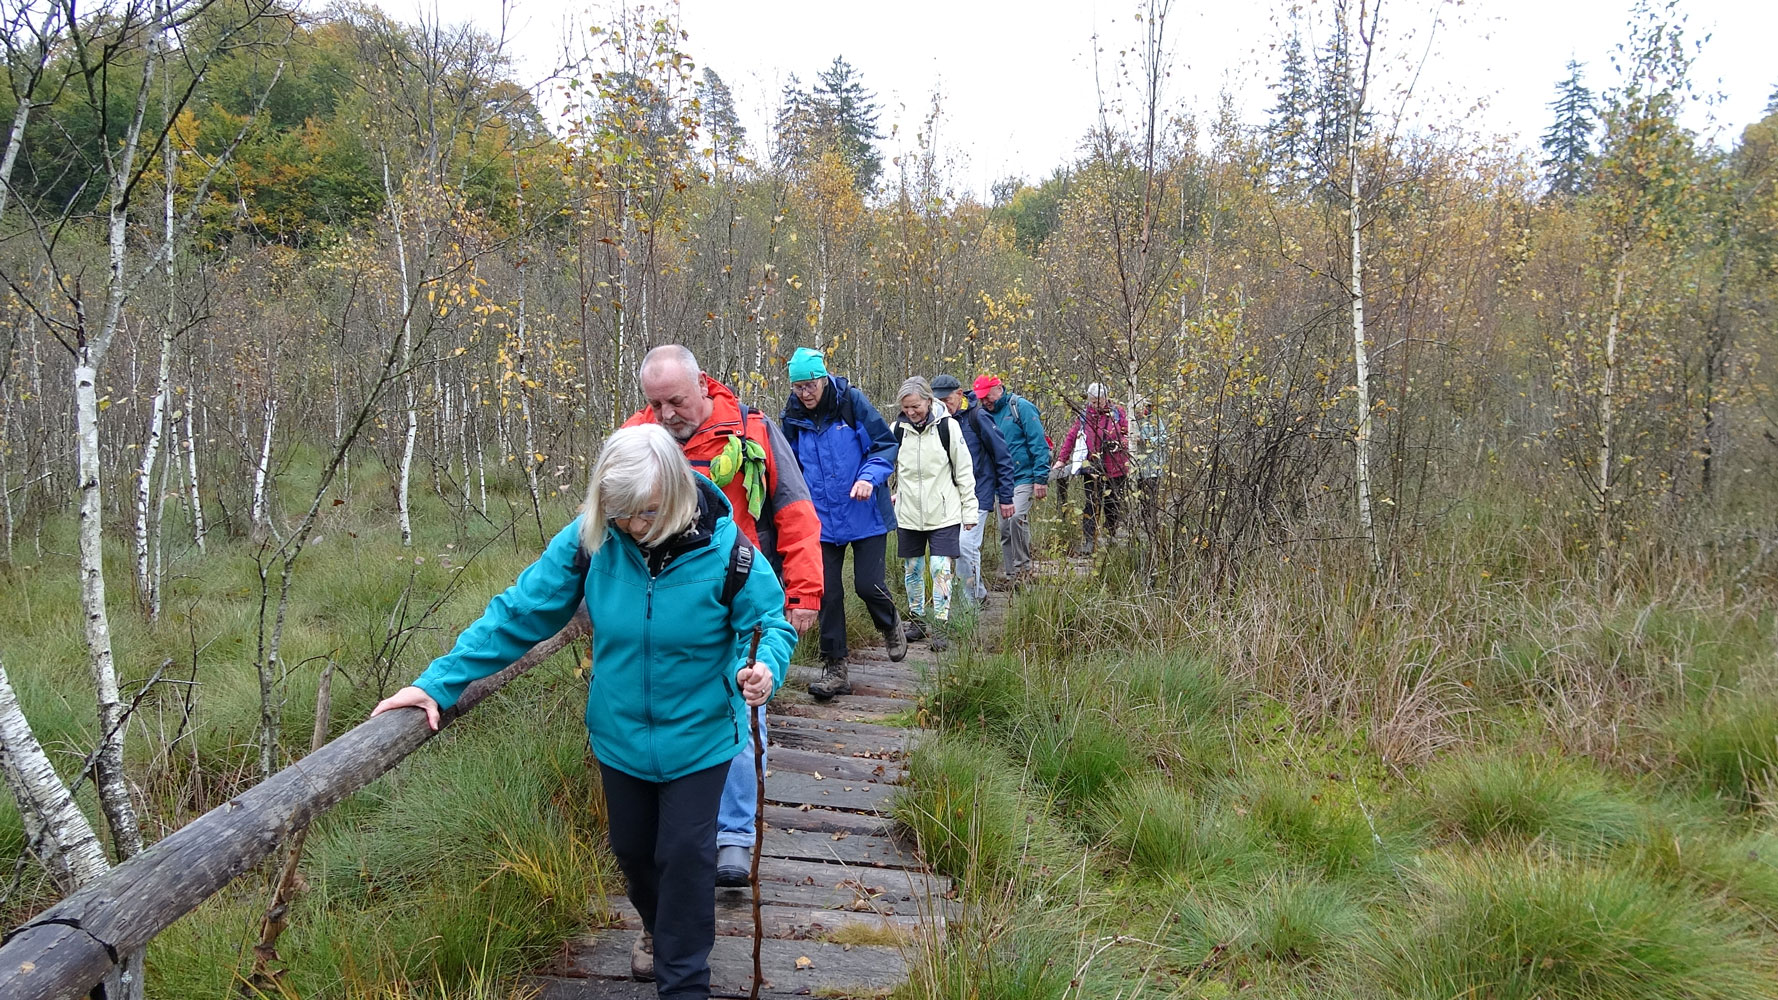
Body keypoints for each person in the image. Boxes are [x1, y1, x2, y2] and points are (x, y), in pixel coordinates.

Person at [372, 424, 796, 1000]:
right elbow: (520, 611)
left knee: (685, 857)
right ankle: (659, 926)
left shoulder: (732, 553)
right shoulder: (593, 539)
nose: (633, 527)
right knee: (633, 852)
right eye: (620, 514)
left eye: (645, 513)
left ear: (674, 493)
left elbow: (770, 622)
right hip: (619, 734)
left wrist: (766, 666)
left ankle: (683, 979)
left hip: (700, 735)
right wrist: (438, 684)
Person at [623, 344, 824, 890]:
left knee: (739, 705)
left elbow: (795, 513)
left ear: (701, 387)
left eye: (676, 402)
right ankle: (683, 830)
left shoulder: (751, 431)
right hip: (662, 604)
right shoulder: (638, 437)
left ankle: (735, 836)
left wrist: (803, 594)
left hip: (740, 594)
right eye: (655, 403)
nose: (666, 416)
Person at [779, 347, 907, 700]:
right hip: (819, 519)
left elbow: (884, 445)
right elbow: (787, 467)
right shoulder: (791, 417)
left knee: (868, 585)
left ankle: (889, 622)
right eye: (798, 387)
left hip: (864, 512)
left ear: (824, 379)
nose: (804, 394)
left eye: (810, 385)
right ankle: (835, 669)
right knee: (827, 593)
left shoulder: (851, 403)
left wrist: (869, 476)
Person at [889, 377, 976, 652]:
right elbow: (886, 465)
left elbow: (964, 470)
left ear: (928, 400)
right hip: (909, 513)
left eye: (915, 406)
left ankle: (940, 624)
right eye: (906, 407)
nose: (911, 412)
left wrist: (969, 509)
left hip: (944, 512)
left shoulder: (947, 427)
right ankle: (917, 619)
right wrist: (892, 494)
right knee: (912, 568)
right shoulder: (897, 429)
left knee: (940, 568)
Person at [930, 374, 1014, 608]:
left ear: (959, 394)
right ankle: (977, 593)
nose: (942, 405)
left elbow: (1002, 456)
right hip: (947, 497)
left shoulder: (978, 417)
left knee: (966, 546)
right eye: (937, 401)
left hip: (978, 494)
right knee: (950, 549)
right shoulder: (935, 421)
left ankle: (968, 607)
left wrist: (1006, 497)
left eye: (946, 399)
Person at [975, 375, 1051, 584]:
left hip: (1024, 476)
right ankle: (1012, 575)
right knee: (1005, 528)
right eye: (981, 398)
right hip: (1001, 482)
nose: (985, 401)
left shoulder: (1021, 408)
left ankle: (1023, 570)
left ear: (999, 388)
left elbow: (1038, 442)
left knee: (1016, 517)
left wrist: (1041, 477)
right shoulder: (982, 414)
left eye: (987, 396)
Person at [1053, 383, 1130, 555]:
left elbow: (1129, 434)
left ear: (1105, 398)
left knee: (1112, 504)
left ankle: (1111, 536)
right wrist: (1061, 460)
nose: (1095, 405)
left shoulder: (1117, 413)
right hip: (1091, 467)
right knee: (1091, 504)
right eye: (1092, 401)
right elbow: (1072, 436)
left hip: (1116, 467)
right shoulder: (1084, 415)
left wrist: (1121, 443)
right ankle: (1089, 542)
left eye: (1098, 401)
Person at [1130, 395, 1169, 537]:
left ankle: (1150, 526)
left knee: (1150, 496)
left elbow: (1164, 438)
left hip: (1152, 466)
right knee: (1138, 495)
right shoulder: (1130, 421)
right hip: (1135, 467)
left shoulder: (1154, 420)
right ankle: (1138, 523)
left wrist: (1147, 440)